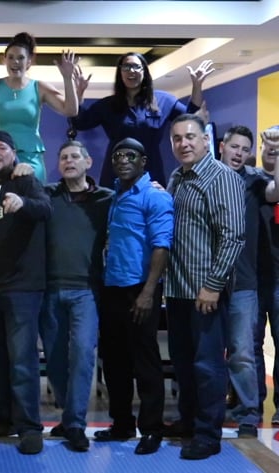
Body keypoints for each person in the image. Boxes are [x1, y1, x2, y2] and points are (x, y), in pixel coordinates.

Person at [165, 114, 244, 460]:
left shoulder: (222, 177)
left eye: (190, 137)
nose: (183, 143)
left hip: (206, 293)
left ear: (206, 140)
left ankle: (208, 435)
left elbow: (233, 237)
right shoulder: (177, 177)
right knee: (184, 364)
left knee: (208, 366)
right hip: (177, 290)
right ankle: (189, 422)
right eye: (177, 138)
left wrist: (213, 285)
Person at [0, 130, 51, 454]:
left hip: (22, 286)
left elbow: (45, 209)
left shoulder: (25, 181)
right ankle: (4, 418)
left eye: (1, 148)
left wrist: (24, 203)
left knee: (22, 360)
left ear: (14, 154)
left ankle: (29, 427)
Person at [95, 138, 173, 456]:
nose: (123, 160)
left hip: (140, 289)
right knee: (115, 361)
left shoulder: (154, 196)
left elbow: (162, 246)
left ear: (143, 161)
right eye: (117, 155)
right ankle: (122, 423)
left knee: (145, 362)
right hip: (112, 287)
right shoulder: (116, 193)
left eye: (130, 155)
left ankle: (152, 429)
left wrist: (148, 292)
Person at [40, 141, 113, 452]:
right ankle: (68, 417)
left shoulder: (107, 198)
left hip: (87, 290)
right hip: (49, 289)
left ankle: (75, 424)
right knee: (55, 358)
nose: (68, 161)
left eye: (74, 157)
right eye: (63, 157)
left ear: (88, 162)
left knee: (83, 353)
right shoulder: (46, 195)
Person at [217, 126, 279, 436]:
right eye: (234, 147)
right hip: (213, 281)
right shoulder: (208, 178)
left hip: (249, 281)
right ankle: (225, 407)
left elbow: (276, 191)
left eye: (245, 148)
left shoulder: (255, 181)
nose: (239, 153)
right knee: (226, 349)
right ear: (222, 146)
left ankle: (250, 412)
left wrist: (278, 151)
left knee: (244, 349)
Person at [71, 52, 214, 187]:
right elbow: (80, 122)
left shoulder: (163, 100)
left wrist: (197, 86)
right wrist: (78, 93)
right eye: (126, 67)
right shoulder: (108, 105)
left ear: (144, 71)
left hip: (151, 174)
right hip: (116, 175)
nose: (131, 71)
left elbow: (190, 118)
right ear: (120, 72)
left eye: (136, 66)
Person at [0, 34, 79, 182]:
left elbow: (70, 110)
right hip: (0, 158)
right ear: (5, 60)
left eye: (21, 58)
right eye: (11, 57)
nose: (15, 62)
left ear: (29, 62)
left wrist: (67, 78)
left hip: (31, 157)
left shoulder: (39, 87)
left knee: (33, 195)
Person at [255, 126, 279, 425]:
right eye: (268, 144)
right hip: (251, 278)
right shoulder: (253, 180)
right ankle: (253, 405)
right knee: (249, 347)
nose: (272, 148)